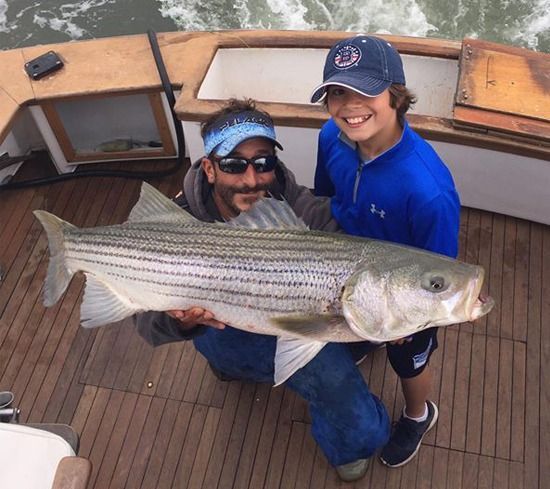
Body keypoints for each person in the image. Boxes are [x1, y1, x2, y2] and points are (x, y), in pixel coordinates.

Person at [135, 99, 389, 482]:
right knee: (227, 358)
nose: (251, 180)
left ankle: (347, 441)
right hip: (221, 331)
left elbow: (356, 254)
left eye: (263, 162)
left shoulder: (301, 207)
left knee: (367, 432)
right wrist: (183, 325)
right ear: (209, 168)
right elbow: (144, 323)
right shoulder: (176, 220)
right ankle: (232, 367)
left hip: (300, 325)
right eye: (234, 165)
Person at [310, 35, 461, 468]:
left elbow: (439, 272)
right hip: (350, 271)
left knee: (407, 362)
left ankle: (418, 415)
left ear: (396, 94)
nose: (349, 106)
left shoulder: (428, 190)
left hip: (405, 288)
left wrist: (412, 322)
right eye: (337, 92)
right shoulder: (330, 136)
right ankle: (365, 336)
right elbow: (324, 198)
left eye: (365, 90)